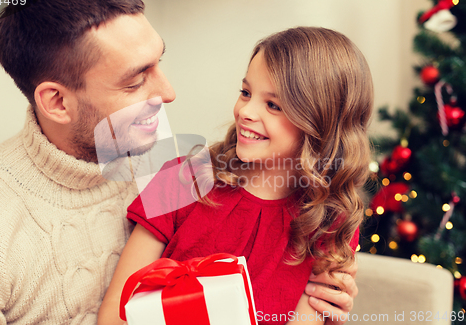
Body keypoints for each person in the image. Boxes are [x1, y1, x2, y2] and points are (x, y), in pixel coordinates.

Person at [0, 0, 358, 323]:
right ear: (57, 101)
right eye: (136, 80)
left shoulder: (155, 149)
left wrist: (327, 295)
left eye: (160, 62)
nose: (168, 92)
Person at [98, 27, 372, 325]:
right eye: (245, 92)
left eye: (273, 105)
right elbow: (116, 311)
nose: (245, 111)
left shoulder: (330, 222)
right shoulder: (180, 178)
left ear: (320, 123)